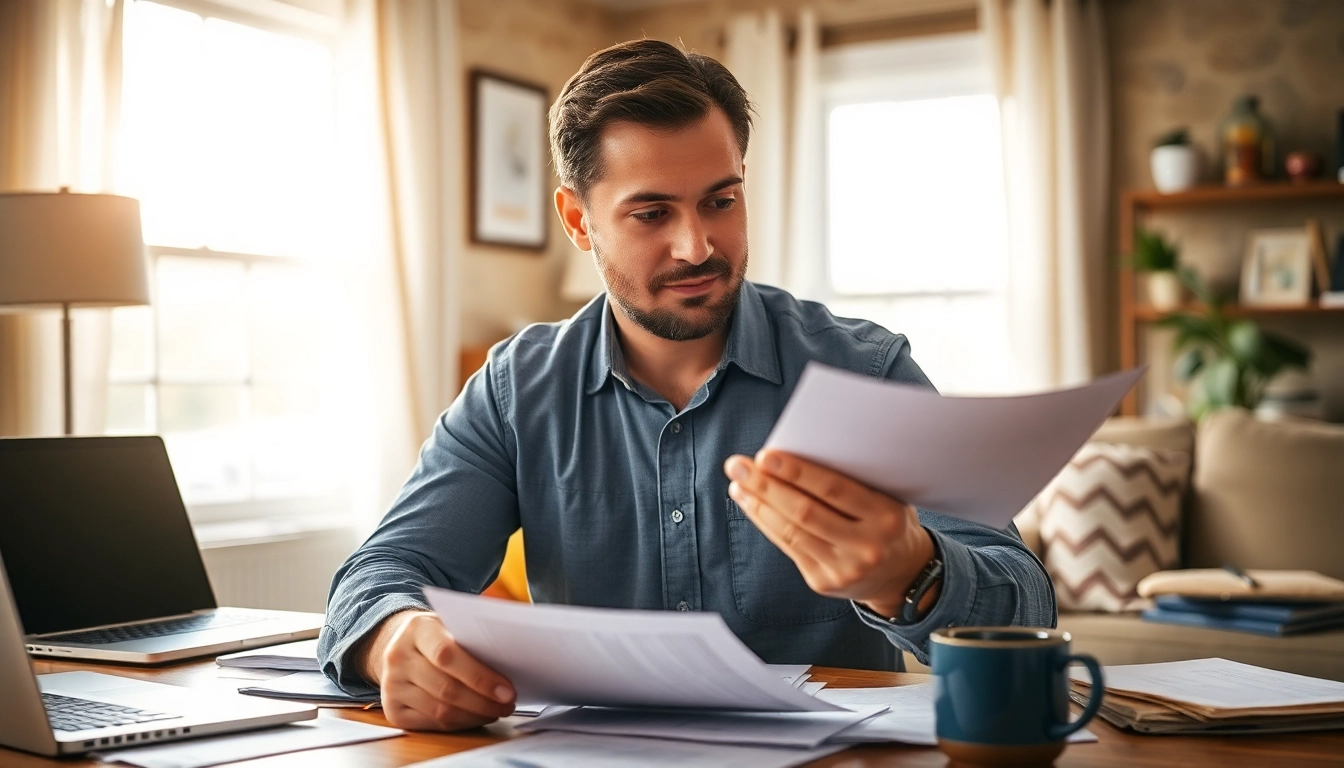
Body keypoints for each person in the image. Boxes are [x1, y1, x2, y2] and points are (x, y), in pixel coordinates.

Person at [318, 39, 1055, 732]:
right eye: (651, 213)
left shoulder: (865, 371)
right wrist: (395, 638)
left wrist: (913, 573)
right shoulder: (517, 392)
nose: (696, 246)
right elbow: (380, 573)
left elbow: (1026, 607)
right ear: (578, 220)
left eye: (720, 201)